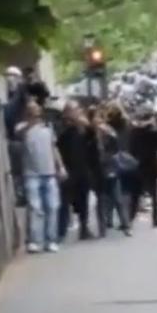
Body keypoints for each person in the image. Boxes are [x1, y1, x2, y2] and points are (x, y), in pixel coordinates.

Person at [19, 101, 65, 253]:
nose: (35, 112)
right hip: (31, 174)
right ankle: (35, 241)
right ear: (27, 112)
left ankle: (51, 240)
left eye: (37, 109)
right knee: (36, 208)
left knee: (52, 207)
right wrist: (31, 123)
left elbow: (54, 148)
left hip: (49, 173)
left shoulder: (48, 128)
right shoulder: (22, 127)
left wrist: (61, 166)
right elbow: (20, 134)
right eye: (31, 110)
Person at [56, 102, 96, 241]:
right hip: (68, 170)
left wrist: (85, 124)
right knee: (65, 202)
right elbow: (57, 144)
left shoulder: (81, 128)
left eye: (78, 110)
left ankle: (84, 229)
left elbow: (92, 136)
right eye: (75, 110)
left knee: (83, 201)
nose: (78, 112)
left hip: (82, 169)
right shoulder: (62, 127)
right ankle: (60, 232)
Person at [91, 109, 132, 237]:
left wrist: (108, 134)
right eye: (96, 125)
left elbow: (116, 150)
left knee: (118, 200)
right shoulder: (91, 140)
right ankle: (102, 229)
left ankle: (126, 226)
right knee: (102, 201)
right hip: (99, 174)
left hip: (111, 170)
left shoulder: (110, 137)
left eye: (101, 124)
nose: (100, 128)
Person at [130, 108, 157, 227]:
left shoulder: (134, 131)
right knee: (154, 194)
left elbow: (132, 148)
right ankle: (155, 219)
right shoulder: (153, 132)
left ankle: (129, 219)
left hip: (138, 163)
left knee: (135, 194)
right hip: (151, 163)